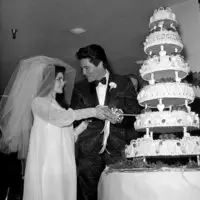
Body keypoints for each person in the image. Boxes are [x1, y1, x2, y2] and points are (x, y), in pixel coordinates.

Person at [0, 56, 112, 200]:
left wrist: (82, 127)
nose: (64, 82)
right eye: (59, 79)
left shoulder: (57, 106)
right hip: (50, 162)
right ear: (48, 81)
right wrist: (93, 111)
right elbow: (61, 119)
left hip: (63, 161)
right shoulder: (38, 102)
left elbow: (66, 135)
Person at [71, 44, 141, 200]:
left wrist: (122, 117)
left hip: (117, 151)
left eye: (87, 68)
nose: (83, 72)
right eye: (82, 68)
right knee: (88, 194)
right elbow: (73, 118)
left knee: (118, 193)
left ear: (100, 63)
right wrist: (91, 115)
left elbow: (136, 113)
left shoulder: (124, 83)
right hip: (88, 153)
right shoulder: (79, 88)